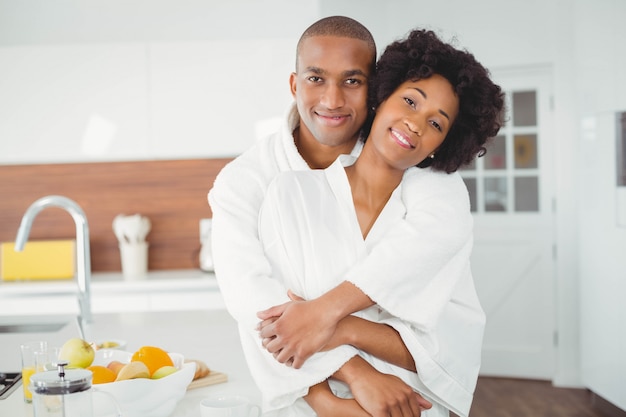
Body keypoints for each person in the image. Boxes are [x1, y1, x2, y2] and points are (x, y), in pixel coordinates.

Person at [253, 28, 504, 417]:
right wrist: (330, 403)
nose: (416, 124)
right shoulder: (292, 194)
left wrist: (335, 324)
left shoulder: (437, 215)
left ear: (445, 144)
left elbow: (449, 345)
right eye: (409, 101)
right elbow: (272, 325)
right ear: (380, 97)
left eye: (437, 124)